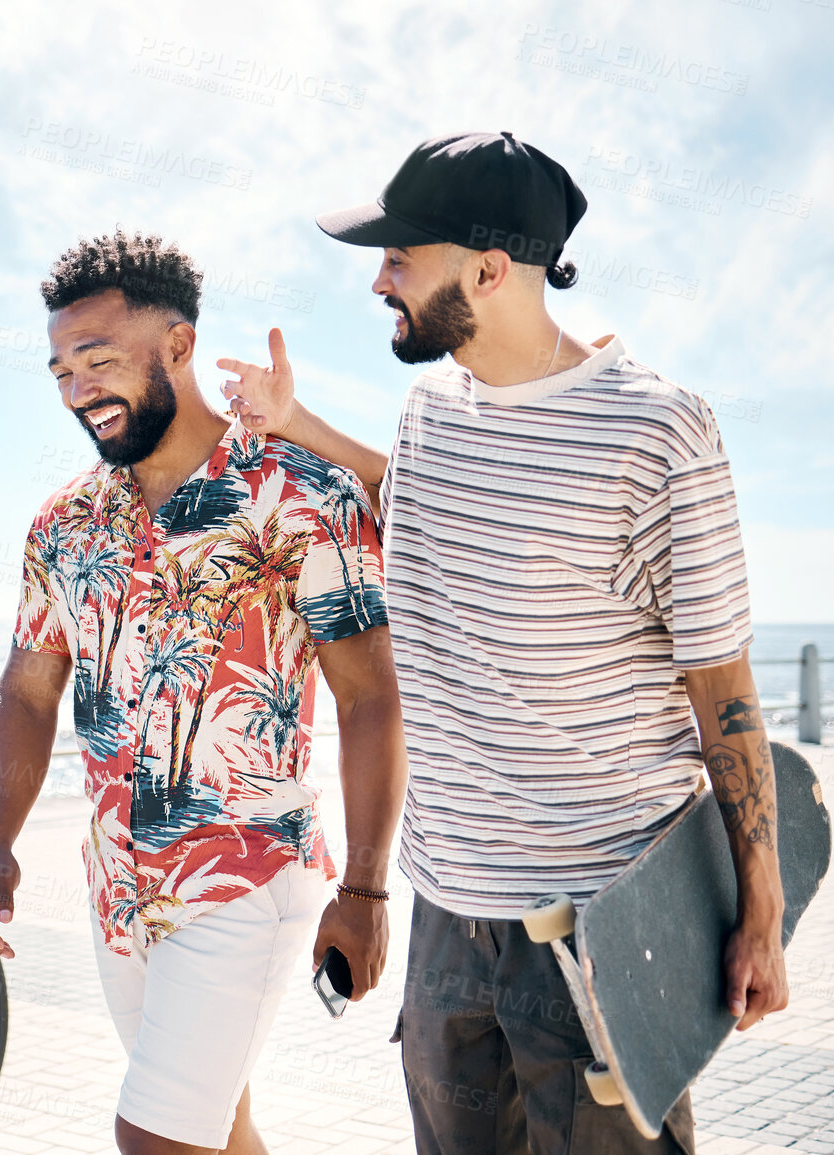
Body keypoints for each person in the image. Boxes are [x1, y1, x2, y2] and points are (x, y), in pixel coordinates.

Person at [217, 132, 787, 1153]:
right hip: (447, 917)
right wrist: (294, 422)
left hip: (599, 929)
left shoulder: (656, 433)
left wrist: (762, 907)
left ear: (490, 269)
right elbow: (416, 498)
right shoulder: (432, 407)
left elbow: (724, 690)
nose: (378, 280)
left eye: (401, 257)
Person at [0, 230, 408, 1155]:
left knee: (154, 1136)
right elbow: (26, 691)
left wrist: (365, 888)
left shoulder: (295, 492)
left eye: (98, 359)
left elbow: (369, 696)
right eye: (60, 371)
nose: (78, 387)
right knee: (217, 1129)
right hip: (115, 883)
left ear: (176, 346)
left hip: (245, 872)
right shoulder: (62, 523)